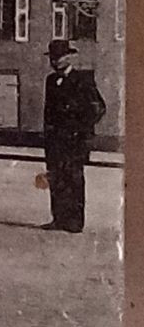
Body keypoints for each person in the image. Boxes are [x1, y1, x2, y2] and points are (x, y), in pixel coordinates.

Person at [43, 39, 106, 233]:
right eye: (53, 58)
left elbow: (98, 108)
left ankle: (74, 222)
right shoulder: (51, 81)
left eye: (59, 57)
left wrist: (80, 128)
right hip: (55, 141)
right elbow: (49, 112)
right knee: (56, 178)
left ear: (69, 57)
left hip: (74, 140)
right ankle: (58, 219)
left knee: (74, 180)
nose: (55, 61)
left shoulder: (83, 80)